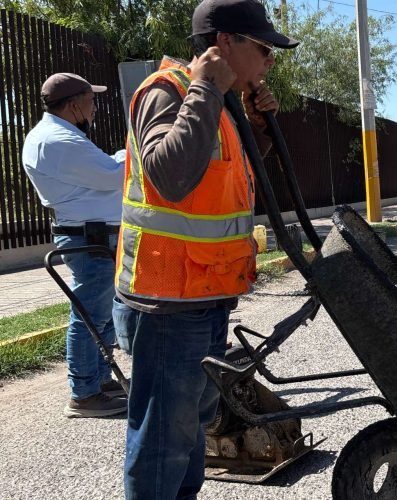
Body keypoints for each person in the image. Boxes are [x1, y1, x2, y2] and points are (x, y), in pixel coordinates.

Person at [111, 0, 298, 497]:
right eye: (263, 49)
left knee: (193, 430)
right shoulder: (169, 92)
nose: (269, 62)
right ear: (225, 45)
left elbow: (222, 186)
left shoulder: (214, 103)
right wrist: (207, 87)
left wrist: (257, 128)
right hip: (170, 300)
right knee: (164, 441)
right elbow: (170, 177)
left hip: (205, 295)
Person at [21, 73, 128, 418]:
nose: (95, 107)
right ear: (73, 105)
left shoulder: (59, 135)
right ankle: (83, 393)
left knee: (99, 314)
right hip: (89, 238)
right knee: (89, 316)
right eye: (91, 100)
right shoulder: (57, 140)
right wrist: (136, 150)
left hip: (91, 235)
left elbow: (102, 171)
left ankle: (96, 381)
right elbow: (112, 174)